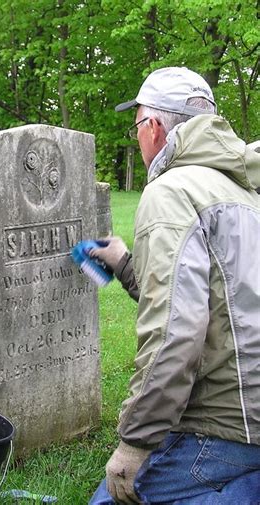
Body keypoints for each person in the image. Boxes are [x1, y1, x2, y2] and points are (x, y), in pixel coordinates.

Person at [89, 67, 260, 504]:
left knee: (109, 499)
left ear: (154, 128)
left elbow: (175, 333)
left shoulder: (171, 191)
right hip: (252, 409)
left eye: (138, 124)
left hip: (226, 424)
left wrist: (134, 444)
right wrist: (126, 263)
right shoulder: (245, 192)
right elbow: (221, 296)